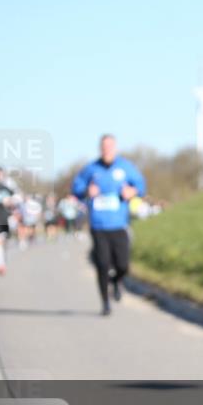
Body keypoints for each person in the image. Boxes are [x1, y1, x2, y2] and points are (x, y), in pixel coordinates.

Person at [71, 135, 146, 315]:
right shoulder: (91, 169)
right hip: (98, 225)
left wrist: (132, 191)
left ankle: (116, 281)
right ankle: (105, 302)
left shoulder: (126, 167)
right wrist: (86, 191)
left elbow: (141, 186)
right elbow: (76, 188)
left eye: (110, 146)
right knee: (102, 264)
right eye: (104, 147)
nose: (107, 150)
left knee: (123, 265)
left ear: (115, 148)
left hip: (119, 224)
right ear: (100, 148)